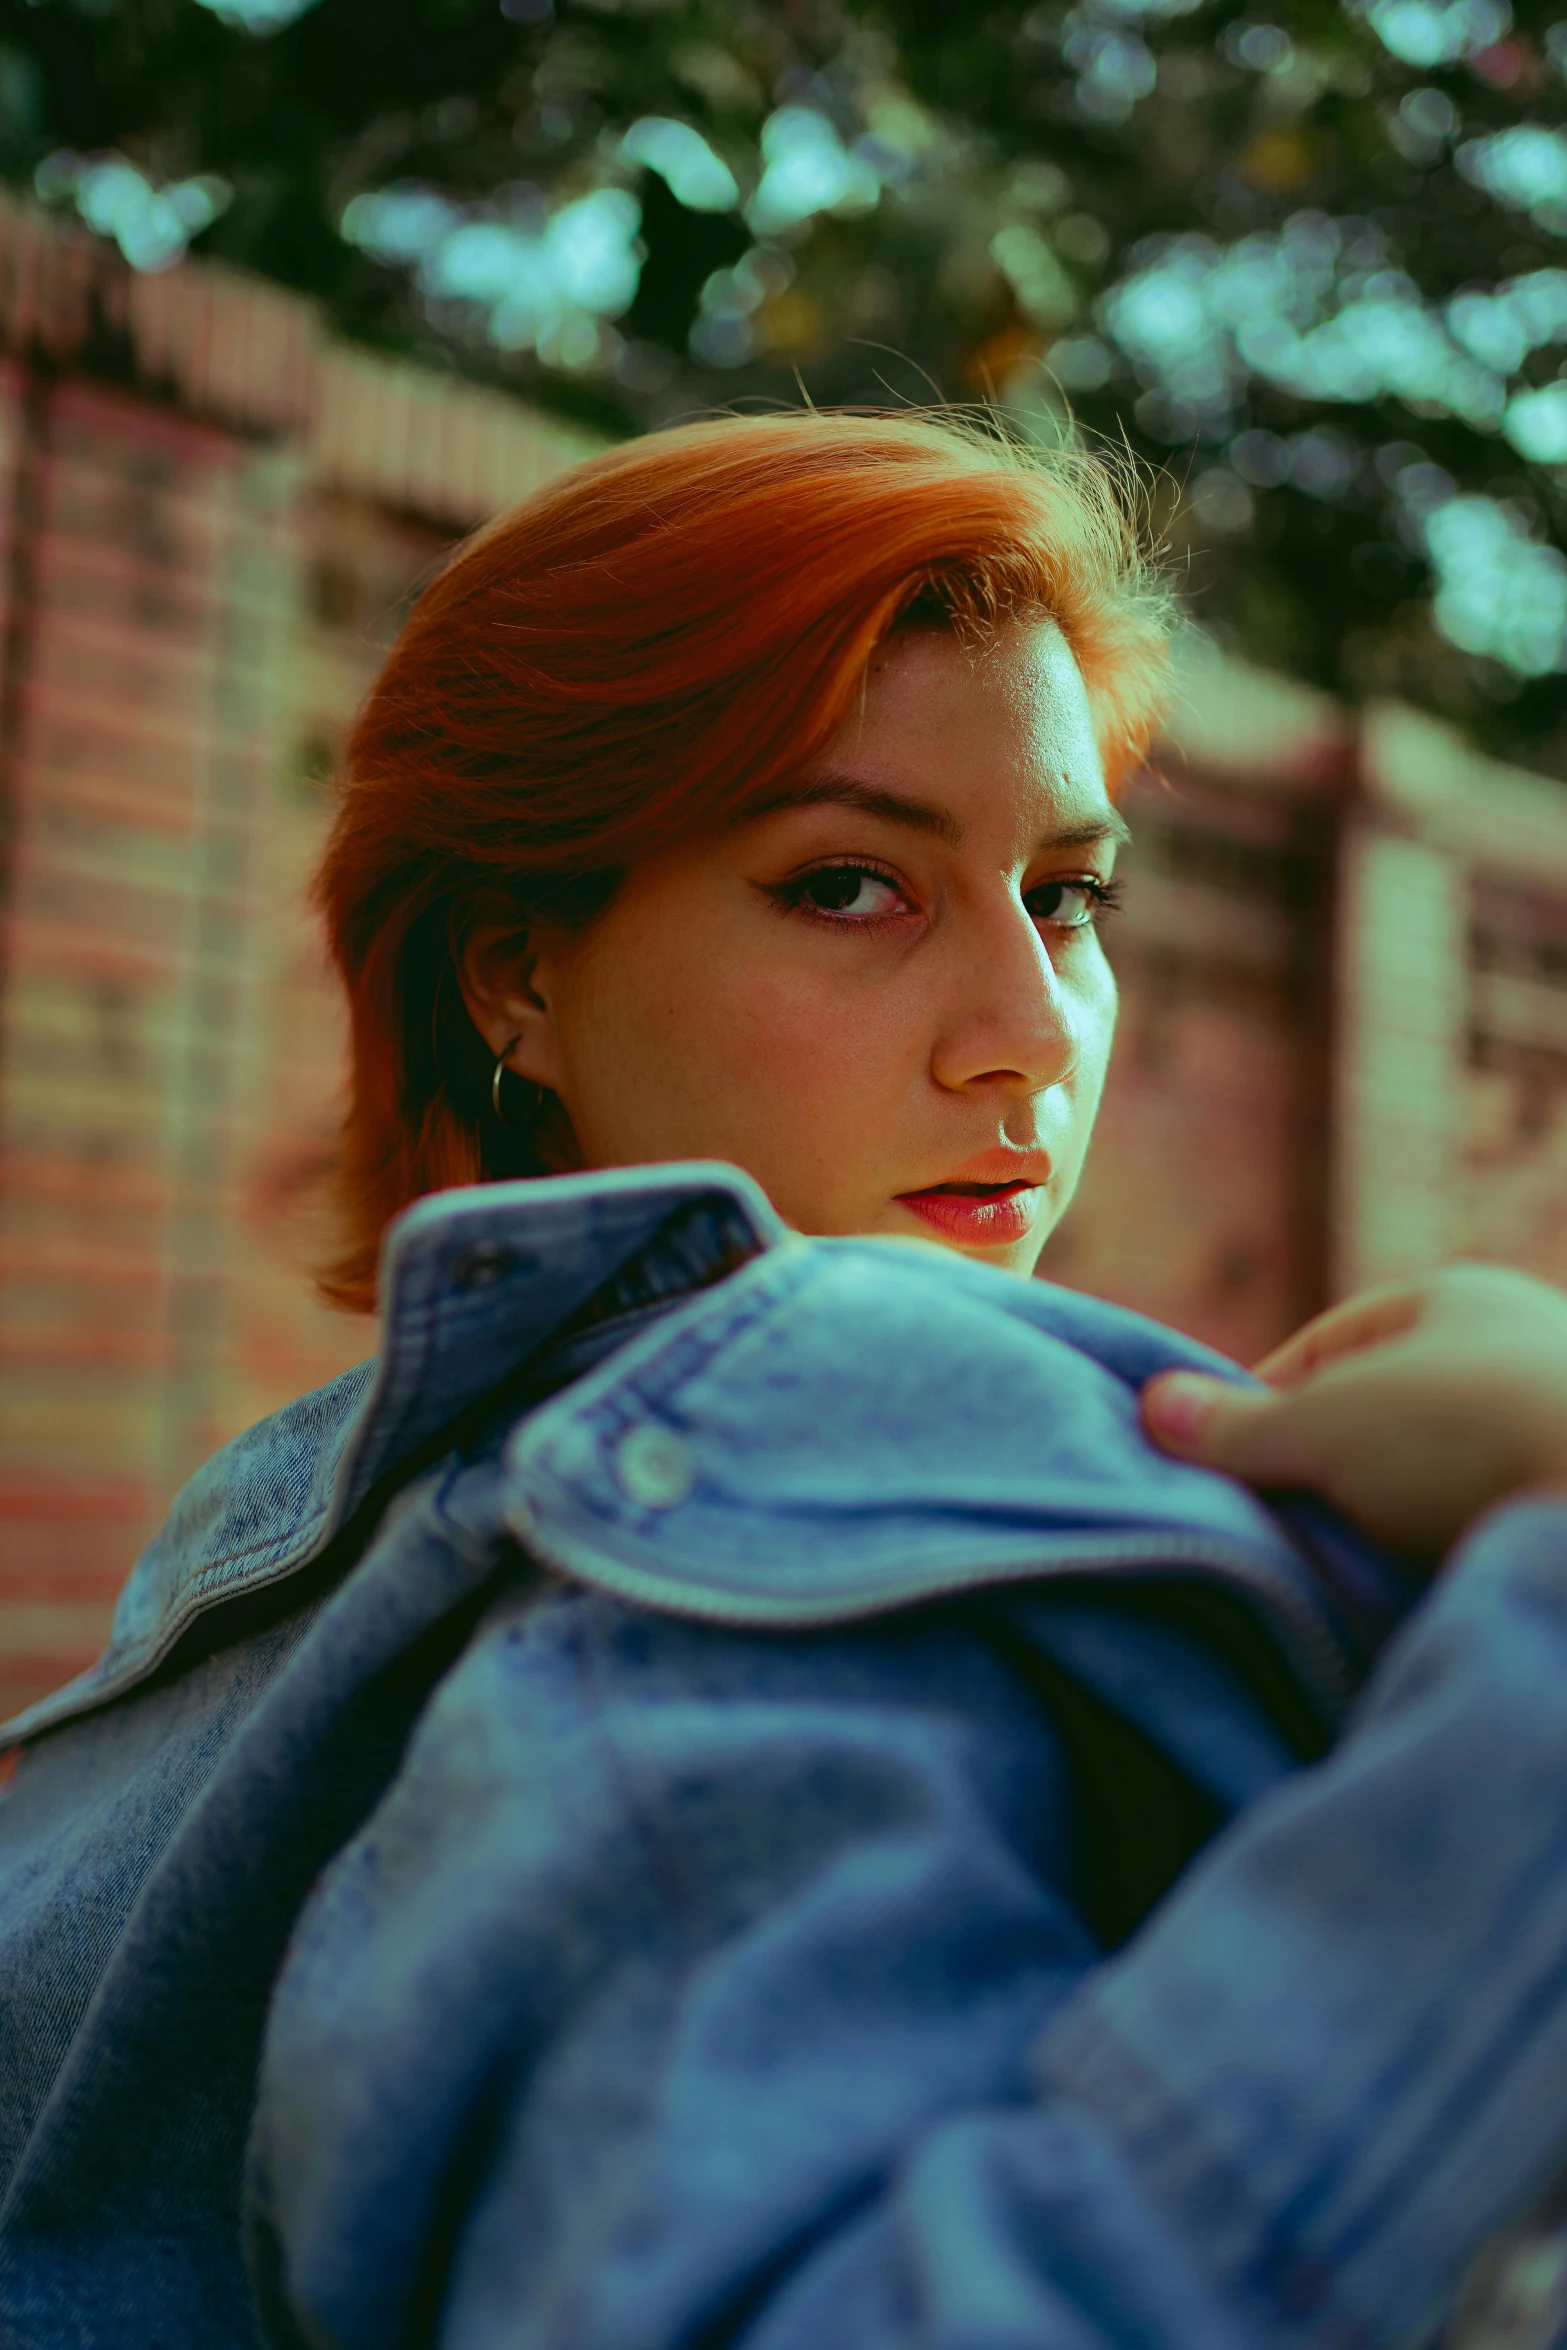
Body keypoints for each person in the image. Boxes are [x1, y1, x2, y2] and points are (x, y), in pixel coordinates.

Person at [3, 409, 1567, 2350]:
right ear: (517, 974)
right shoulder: (789, 1485)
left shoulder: (287, 1512)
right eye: (849, 883)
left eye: (1065, 895)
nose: (1028, 1035)